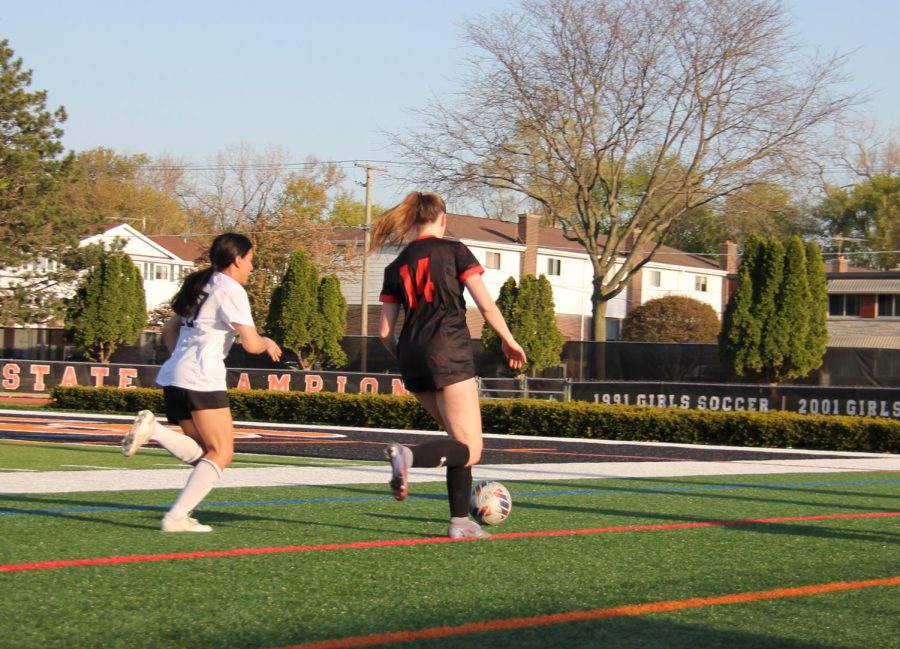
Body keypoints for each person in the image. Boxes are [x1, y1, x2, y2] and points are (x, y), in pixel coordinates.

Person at [373, 191, 527, 539]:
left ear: (412, 221)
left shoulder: (395, 266)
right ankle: (409, 456)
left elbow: (383, 332)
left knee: (458, 444)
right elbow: (486, 305)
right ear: (443, 218)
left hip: (412, 355)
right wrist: (508, 339)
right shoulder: (454, 251)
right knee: (470, 448)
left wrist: (407, 357)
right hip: (449, 351)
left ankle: (459, 522)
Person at [121, 232, 281, 532]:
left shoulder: (200, 283)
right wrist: (267, 341)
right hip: (201, 379)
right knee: (222, 452)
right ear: (237, 260)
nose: (251, 267)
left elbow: (169, 328)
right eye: (250, 261)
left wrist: (179, 359)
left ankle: (153, 429)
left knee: (204, 451)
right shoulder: (231, 289)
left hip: (174, 376)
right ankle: (175, 517)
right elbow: (250, 344)